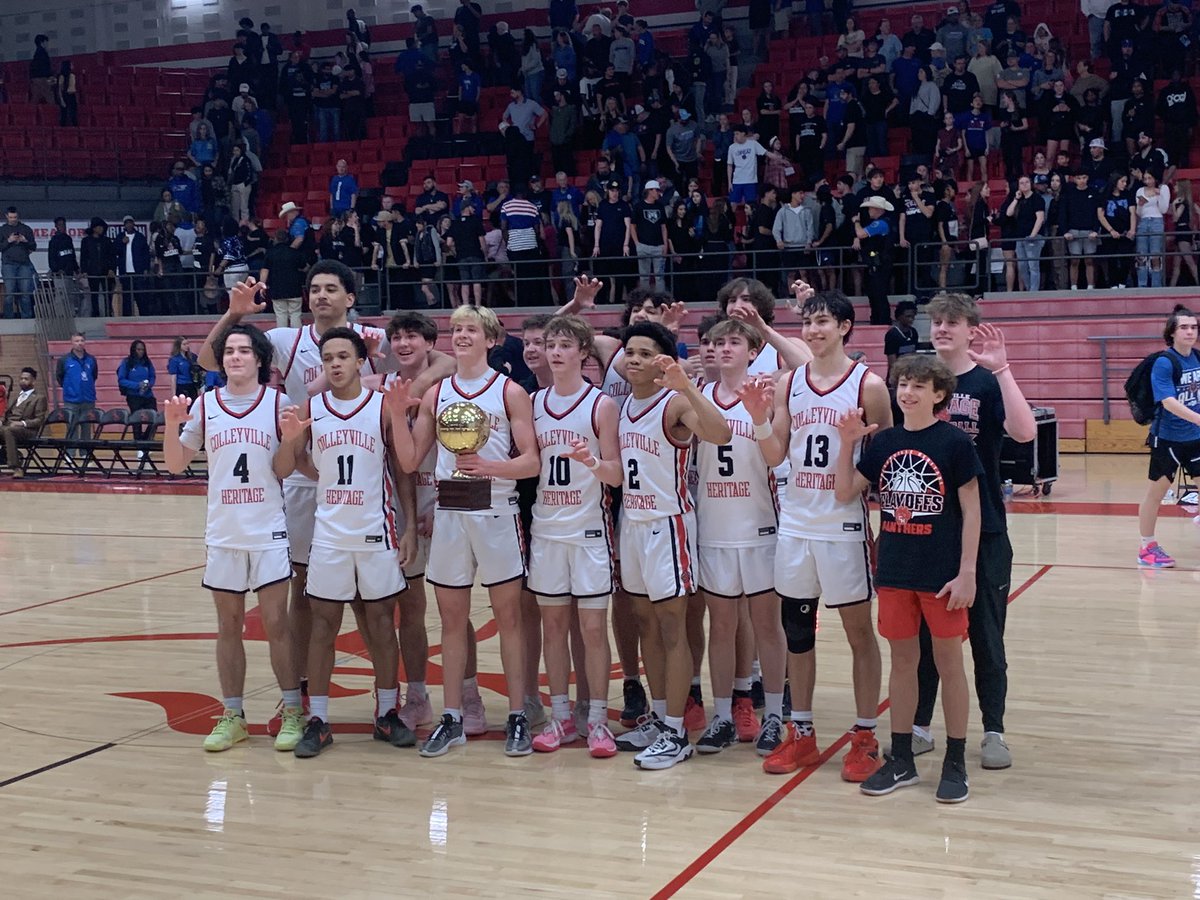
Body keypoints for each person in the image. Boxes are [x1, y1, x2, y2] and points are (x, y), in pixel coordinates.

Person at [747, 289, 891, 782]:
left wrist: (854, 476)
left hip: (843, 524)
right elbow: (774, 455)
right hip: (796, 524)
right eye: (808, 322)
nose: (812, 330)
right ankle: (802, 733)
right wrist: (759, 419)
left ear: (845, 327)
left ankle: (866, 735)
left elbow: (885, 454)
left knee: (857, 632)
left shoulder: (869, 386)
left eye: (823, 321)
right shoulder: (789, 384)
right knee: (797, 633)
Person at [388, 305, 541, 759]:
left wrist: (489, 466)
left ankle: (516, 715)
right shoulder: (437, 394)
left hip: (496, 510)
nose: (461, 335)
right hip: (453, 513)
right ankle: (451, 716)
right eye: (455, 329)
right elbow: (412, 461)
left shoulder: (510, 392)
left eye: (470, 329)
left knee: (509, 619)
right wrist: (397, 415)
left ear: (492, 339)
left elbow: (531, 461)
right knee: (451, 621)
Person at [836, 354, 982, 804]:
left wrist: (967, 573)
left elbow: (974, 510)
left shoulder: (955, 443)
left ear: (939, 395)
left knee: (949, 665)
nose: (907, 392)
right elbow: (844, 492)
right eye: (902, 383)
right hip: (895, 572)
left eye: (919, 385)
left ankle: (955, 762)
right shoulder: (883, 443)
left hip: (941, 577)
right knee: (902, 663)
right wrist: (846, 444)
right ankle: (902, 760)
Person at [273, 327, 414, 758]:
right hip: (330, 535)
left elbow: (403, 467)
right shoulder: (311, 408)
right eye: (328, 357)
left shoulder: (380, 406)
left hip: (377, 531)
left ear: (359, 362)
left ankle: (387, 714)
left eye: (343, 357)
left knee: (379, 624)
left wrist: (407, 526)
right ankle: (318, 720)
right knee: (323, 626)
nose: (335, 364)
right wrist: (294, 438)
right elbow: (285, 467)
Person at [163, 324, 304, 752]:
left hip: (268, 529)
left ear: (260, 359)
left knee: (278, 625)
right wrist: (172, 426)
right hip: (223, 531)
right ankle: (233, 714)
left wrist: (293, 441)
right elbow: (175, 465)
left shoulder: (280, 403)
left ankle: (293, 710)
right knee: (228, 626)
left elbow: (282, 470)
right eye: (229, 351)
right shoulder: (205, 404)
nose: (235, 357)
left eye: (244, 351)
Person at [609, 321, 731, 769]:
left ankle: (677, 732)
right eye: (630, 351)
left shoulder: (675, 402)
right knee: (644, 623)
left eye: (645, 352)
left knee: (672, 627)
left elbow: (720, 434)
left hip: (669, 524)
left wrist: (689, 387)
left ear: (663, 359)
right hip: (633, 523)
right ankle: (659, 719)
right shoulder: (622, 406)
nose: (634, 359)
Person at [691, 318, 789, 757]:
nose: (724, 348)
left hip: (759, 527)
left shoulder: (768, 394)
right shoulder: (696, 398)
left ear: (753, 351)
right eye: (717, 342)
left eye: (734, 341)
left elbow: (776, 456)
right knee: (722, 628)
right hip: (714, 527)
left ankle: (772, 718)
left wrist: (760, 417)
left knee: (767, 626)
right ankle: (723, 716)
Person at [526, 315, 622, 758]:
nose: (557, 352)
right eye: (551, 344)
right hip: (546, 529)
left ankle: (598, 720)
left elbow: (616, 474)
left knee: (592, 629)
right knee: (553, 627)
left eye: (566, 345)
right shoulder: (533, 402)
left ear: (584, 352)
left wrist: (592, 463)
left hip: (588, 531)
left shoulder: (601, 404)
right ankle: (561, 716)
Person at [1137, 305, 1200, 568]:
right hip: (1168, 440)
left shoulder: (1197, 357)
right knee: (1156, 493)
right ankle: (1146, 547)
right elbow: (1168, 402)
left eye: (1194, 327)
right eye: (1184, 327)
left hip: (1195, 437)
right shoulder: (1165, 362)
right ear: (1172, 333)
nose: (1190, 331)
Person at [855, 196, 894, 325]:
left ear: (877, 209)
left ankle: (882, 321)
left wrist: (856, 222)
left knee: (879, 293)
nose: (869, 210)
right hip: (877, 262)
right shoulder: (880, 222)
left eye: (871, 208)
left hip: (880, 263)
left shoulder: (880, 223)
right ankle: (877, 319)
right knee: (874, 293)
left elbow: (861, 233)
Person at [0, 367, 46, 476]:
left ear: (33, 381)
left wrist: (22, 423)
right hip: (9, 426)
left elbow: (39, 420)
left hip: (27, 430)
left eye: (26, 379)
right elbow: (6, 414)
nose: (23, 381)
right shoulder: (17, 397)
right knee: (7, 429)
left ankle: (16, 467)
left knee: (9, 430)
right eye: (21, 378)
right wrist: (1, 421)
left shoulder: (39, 398)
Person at [259, 229, 307, 328]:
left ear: (275, 239)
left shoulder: (270, 253)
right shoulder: (294, 253)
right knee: (295, 314)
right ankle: (297, 338)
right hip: (294, 288)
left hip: (277, 289)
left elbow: (265, 270)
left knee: (280, 315)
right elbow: (305, 267)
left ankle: (282, 337)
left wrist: (262, 286)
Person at [116, 340, 157, 447]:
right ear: (134, 350)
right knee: (137, 420)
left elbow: (152, 376)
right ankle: (138, 443)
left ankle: (146, 440)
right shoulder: (127, 362)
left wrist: (149, 384)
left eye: (143, 349)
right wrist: (137, 385)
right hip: (133, 395)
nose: (141, 352)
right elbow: (121, 380)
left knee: (154, 417)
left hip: (147, 395)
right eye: (138, 349)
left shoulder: (147, 362)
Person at [0, 207, 37, 320]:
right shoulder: (2, 230)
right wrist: (9, 240)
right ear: (6, 216)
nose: (13, 219)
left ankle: (27, 318)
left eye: (15, 217)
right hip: (8, 265)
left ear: (18, 216)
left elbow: (33, 246)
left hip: (24, 264)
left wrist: (25, 241)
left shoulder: (26, 228)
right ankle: (9, 318)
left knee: (25, 293)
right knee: (10, 293)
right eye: (11, 217)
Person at [1135, 170, 1170, 287]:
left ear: (1155, 178)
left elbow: (1164, 209)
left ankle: (1156, 285)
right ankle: (1142, 284)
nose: (1147, 181)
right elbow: (1138, 213)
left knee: (1155, 254)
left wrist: (1159, 194)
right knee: (1141, 255)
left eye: (1150, 178)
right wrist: (1140, 204)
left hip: (1157, 221)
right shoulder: (1140, 190)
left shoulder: (1163, 188)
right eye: (1145, 179)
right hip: (1143, 221)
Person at [633, 180, 668, 289]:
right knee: (644, 277)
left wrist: (665, 244)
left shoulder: (660, 206)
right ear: (650, 191)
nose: (658, 192)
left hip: (658, 246)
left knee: (660, 277)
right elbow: (632, 226)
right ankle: (645, 300)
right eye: (656, 190)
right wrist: (637, 243)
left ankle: (661, 300)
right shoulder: (638, 206)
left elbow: (663, 227)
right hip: (643, 245)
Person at [885, 300, 920, 381]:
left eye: (913, 316)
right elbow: (892, 362)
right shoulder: (892, 334)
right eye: (908, 316)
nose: (911, 319)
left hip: (911, 374)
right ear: (899, 316)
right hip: (897, 376)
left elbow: (915, 354)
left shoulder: (913, 332)